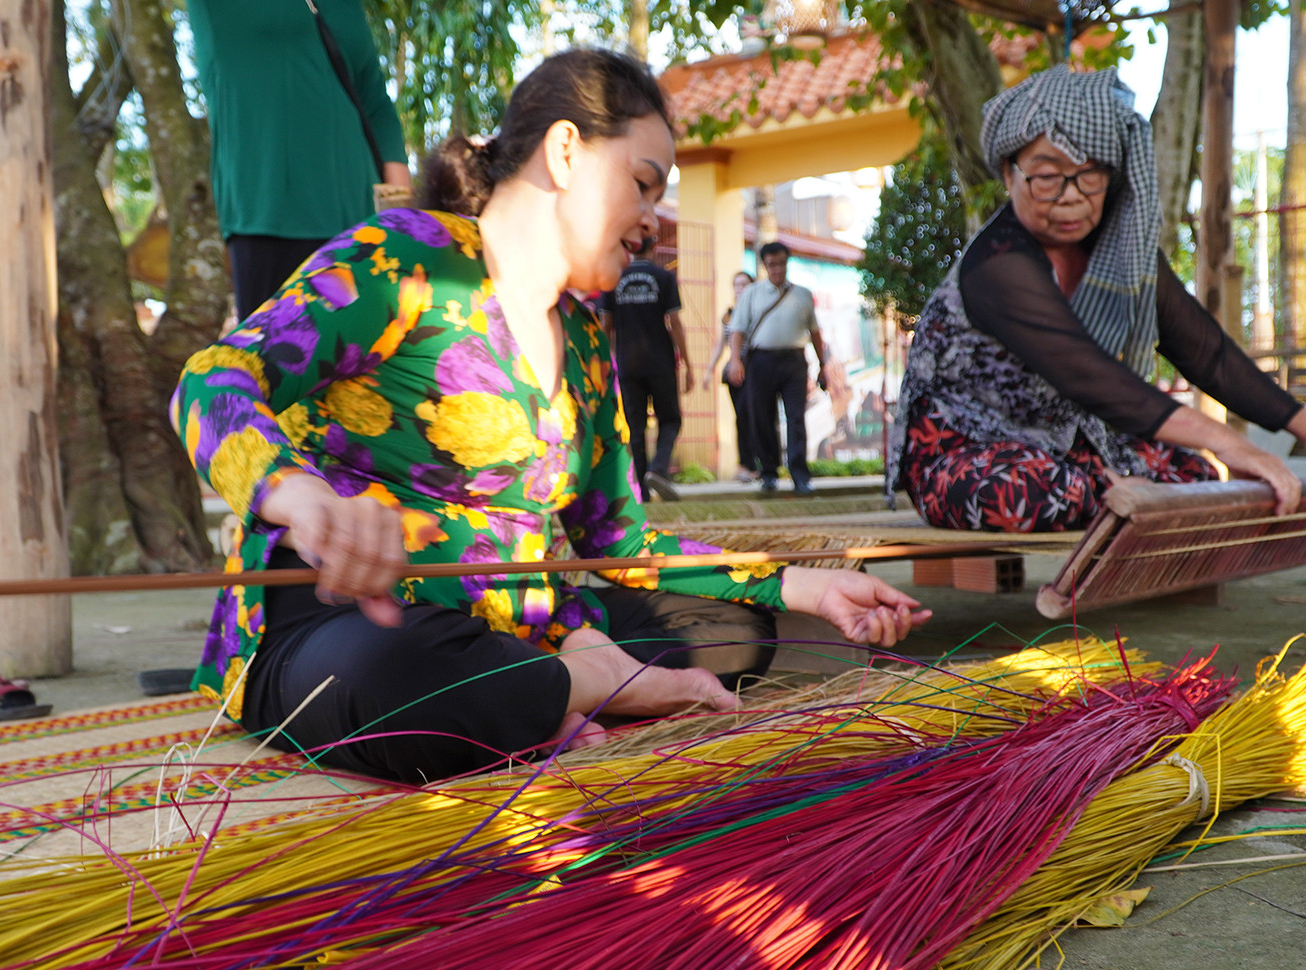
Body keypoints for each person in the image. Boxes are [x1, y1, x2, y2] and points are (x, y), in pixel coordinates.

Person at [174, 49, 928, 785]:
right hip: (351, 625)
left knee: (731, 636)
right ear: (566, 151)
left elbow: (617, 539)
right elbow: (213, 381)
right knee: (401, 680)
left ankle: (565, 684)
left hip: (521, 628)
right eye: (641, 184)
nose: (650, 220)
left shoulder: (589, 342)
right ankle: (587, 681)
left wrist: (807, 587)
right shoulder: (404, 259)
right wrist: (300, 497)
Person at [886, 68, 1306, 533]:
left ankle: (1111, 491)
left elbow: (1204, 351)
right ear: (1008, 175)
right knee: (1032, 493)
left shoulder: (1122, 252)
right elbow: (1092, 378)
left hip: (1070, 444)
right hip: (966, 451)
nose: (1072, 197)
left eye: (1090, 176)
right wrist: (1232, 444)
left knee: (1198, 481)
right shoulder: (999, 265)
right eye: (1047, 177)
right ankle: (1108, 492)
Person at [184, 0, 414, 318]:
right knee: (274, 357)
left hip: (356, 218)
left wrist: (401, 220)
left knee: (360, 355)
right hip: (266, 215)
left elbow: (375, 101)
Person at [724, 241, 839, 495]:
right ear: (765, 266)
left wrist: (823, 365)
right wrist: (735, 360)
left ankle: (800, 475)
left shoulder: (802, 294)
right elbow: (737, 330)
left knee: (796, 417)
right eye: (771, 265)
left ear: (787, 264)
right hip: (760, 361)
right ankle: (768, 473)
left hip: (794, 362)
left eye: (781, 264)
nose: (777, 269)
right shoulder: (752, 294)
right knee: (763, 417)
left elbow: (816, 332)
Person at [598, 252, 689, 501]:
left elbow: (606, 324)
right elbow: (675, 322)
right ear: (653, 247)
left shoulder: (613, 279)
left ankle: (642, 492)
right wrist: (688, 362)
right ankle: (658, 469)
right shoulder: (664, 277)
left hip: (628, 364)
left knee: (634, 427)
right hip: (661, 362)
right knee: (670, 420)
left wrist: (606, 363)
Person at [703, 269, 757, 482]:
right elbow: (719, 345)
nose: (740, 289)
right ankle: (745, 464)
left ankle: (762, 463)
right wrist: (709, 371)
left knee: (758, 416)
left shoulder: (758, 311)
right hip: (736, 372)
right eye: (737, 284)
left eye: (744, 284)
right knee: (742, 416)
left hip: (757, 370)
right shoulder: (728, 315)